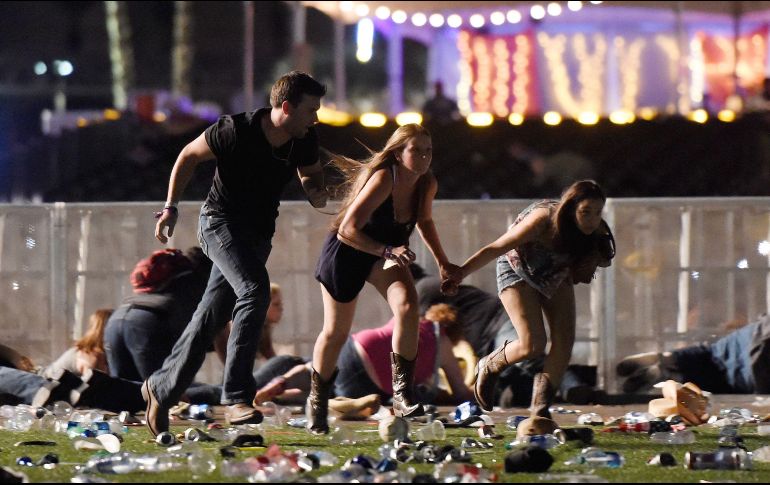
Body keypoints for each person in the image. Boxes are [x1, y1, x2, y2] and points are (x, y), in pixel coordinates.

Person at [145, 71, 328, 436]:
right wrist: (170, 208)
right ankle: (238, 398)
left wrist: (319, 191)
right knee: (255, 291)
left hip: (257, 238)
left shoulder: (304, 138)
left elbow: (311, 177)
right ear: (286, 107)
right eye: (310, 110)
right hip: (218, 224)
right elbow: (187, 156)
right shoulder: (234, 130)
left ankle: (160, 388)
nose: (316, 118)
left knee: (209, 319)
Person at [308, 123, 460, 434]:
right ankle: (317, 401)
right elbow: (348, 229)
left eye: (428, 151)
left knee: (407, 306)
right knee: (336, 332)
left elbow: (425, 220)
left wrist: (444, 262)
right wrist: (387, 249)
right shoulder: (383, 178)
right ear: (398, 152)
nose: (422, 157)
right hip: (349, 251)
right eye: (415, 150)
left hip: (384, 255)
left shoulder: (426, 183)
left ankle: (402, 394)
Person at [445, 180, 614, 435]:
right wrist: (459, 274)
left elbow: (598, 264)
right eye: (585, 212)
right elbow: (496, 247)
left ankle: (541, 409)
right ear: (570, 209)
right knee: (532, 343)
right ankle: (489, 365)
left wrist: (591, 261)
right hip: (517, 269)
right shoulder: (543, 220)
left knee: (564, 340)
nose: (591, 220)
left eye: (598, 212)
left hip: (554, 272)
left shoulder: (597, 232)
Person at [104, 247, 213, 382]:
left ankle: (89, 390)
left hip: (117, 318)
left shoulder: (174, 272)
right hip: (149, 322)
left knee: (125, 391)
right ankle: (220, 392)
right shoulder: (201, 281)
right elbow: (216, 334)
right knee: (164, 390)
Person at [334, 303, 473, 404]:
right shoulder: (442, 340)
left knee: (339, 394)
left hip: (349, 348)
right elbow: (460, 392)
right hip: (369, 377)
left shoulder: (412, 320)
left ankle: (313, 369)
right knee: (417, 396)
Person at [617, 312, 770, 394]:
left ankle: (665, 359)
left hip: (753, 337)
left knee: (711, 354)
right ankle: (667, 374)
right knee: (719, 381)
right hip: (754, 369)